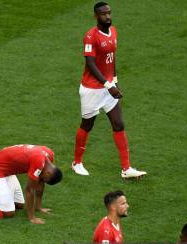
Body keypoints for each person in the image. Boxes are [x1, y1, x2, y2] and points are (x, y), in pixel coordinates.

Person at [71, 2, 146, 179]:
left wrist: (115, 81)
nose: (108, 17)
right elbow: (90, 64)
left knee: (118, 124)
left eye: (109, 13)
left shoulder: (113, 31)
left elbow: (111, 60)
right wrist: (108, 85)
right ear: (96, 17)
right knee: (87, 125)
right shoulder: (90, 36)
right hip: (92, 89)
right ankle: (77, 162)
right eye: (104, 14)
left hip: (108, 87)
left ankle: (126, 169)